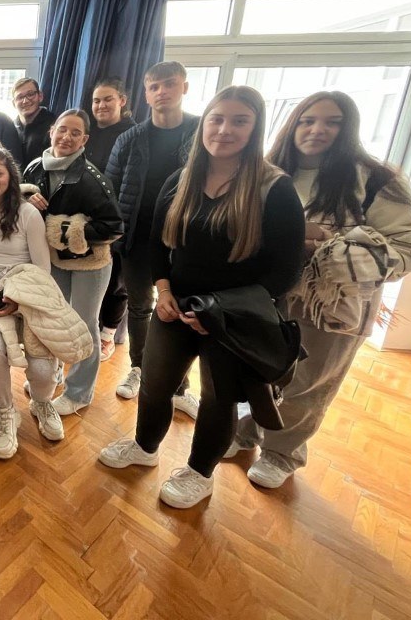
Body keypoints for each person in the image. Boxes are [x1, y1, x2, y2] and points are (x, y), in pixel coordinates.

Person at [98, 86, 305, 509]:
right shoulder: (181, 180)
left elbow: (286, 271)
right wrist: (164, 290)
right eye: (217, 119)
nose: (225, 130)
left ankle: (199, 473)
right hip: (176, 306)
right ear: (204, 124)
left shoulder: (274, 188)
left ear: (255, 128)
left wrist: (219, 311)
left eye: (239, 121)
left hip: (234, 319)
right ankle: (144, 447)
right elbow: (158, 243)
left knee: (218, 398)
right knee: (154, 383)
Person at [231, 91, 411, 488]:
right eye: (307, 120)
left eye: (332, 122)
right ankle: (246, 430)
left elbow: (409, 248)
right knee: (259, 369)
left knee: (310, 380)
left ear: (348, 128)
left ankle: (282, 452)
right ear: (292, 124)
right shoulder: (267, 170)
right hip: (269, 292)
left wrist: (331, 246)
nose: (317, 130)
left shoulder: (376, 180)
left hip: (332, 303)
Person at [106, 62, 200, 417]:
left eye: (169, 84)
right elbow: (110, 189)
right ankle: (139, 368)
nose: (162, 92)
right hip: (138, 239)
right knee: (140, 306)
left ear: (184, 87)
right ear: (146, 94)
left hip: (185, 242)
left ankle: (180, 386)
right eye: (155, 87)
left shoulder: (202, 133)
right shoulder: (129, 139)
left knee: (184, 310)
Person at [22, 109, 124, 415]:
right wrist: (25, 198)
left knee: (84, 325)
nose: (67, 137)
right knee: (55, 319)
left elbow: (114, 227)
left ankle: (79, 392)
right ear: (52, 131)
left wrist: (68, 230)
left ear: (85, 140)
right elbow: (20, 204)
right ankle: (52, 374)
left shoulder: (93, 179)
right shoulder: (34, 168)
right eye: (63, 130)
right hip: (54, 259)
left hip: (89, 263)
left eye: (75, 133)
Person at [0, 143, 60, 459]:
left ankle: (42, 402)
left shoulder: (28, 213)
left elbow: (42, 267)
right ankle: (5, 410)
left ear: (10, 177)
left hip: (28, 291)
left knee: (42, 366)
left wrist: (17, 299)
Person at [84, 78, 136, 361]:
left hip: (117, 218)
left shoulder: (132, 134)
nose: (101, 105)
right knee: (92, 279)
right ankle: (88, 329)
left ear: (122, 101)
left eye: (107, 99)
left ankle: (107, 335)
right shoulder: (88, 133)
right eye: (96, 100)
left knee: (117, 281)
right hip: (88, 218)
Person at [12, 77, 55, 168]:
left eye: (30, 94)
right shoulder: (10, 128)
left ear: (40, 96)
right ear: (13, 103)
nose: (25, 101)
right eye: (20, 97)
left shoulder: (54, 125)